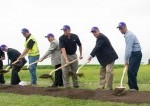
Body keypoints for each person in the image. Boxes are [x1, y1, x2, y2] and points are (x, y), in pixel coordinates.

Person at [117, 22, 142, 92]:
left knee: (131, 71)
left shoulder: (129, 35)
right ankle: (132, 88)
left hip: (136, 54)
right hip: (133, 54)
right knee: (131, 71)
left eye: (121, 28)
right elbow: (128, 49)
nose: (120, 30)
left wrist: (126, 61)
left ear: (125, 27)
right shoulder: (127, 35)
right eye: (119, 29)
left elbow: (128, 48)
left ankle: (134, 88)